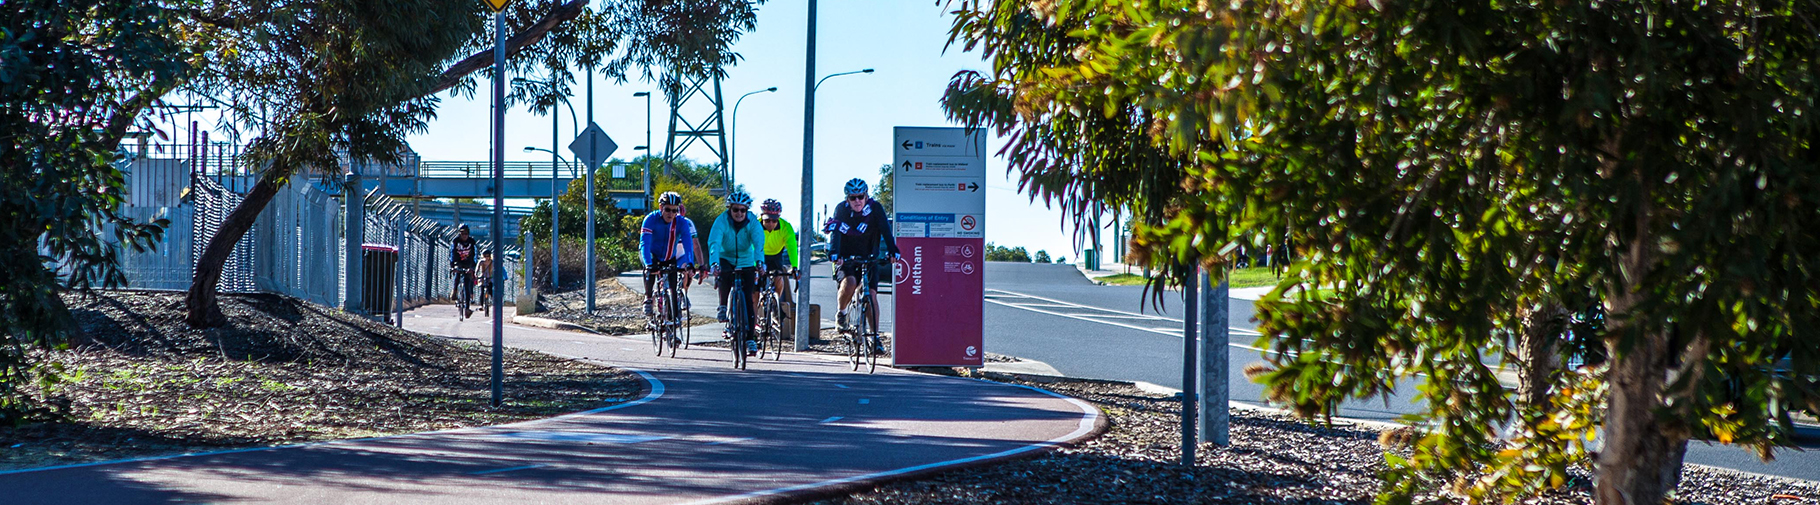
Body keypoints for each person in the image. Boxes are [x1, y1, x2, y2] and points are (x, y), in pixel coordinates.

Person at [829, 178, 899, 338]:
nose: (857, 201)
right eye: (853, 198)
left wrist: (893, 250)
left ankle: (874, 337)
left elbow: (886, 231)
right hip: (847, 257)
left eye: (860, 196)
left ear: (866, 196)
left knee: (872, 295)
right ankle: (842, 313)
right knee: (850, 283)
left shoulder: (876, 209)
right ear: (847, 199)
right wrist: (835, 253)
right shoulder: (841, 209)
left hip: (869, 256)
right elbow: (836, 233)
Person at [708, 190, 766, 355]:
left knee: (748, 299)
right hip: (725, 257)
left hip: (746, 260)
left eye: (743, 210)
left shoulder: (753, 222)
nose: (739, 213)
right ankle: (723, 305)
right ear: (730, 209)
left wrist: (760, 262)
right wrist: (714, 263)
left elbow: (758, 242)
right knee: (724, 277)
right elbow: (714, 242)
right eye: (735, 210)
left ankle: (750, 339)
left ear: (747, 210)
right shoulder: (721, 221)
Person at [639, 192, 698, 316]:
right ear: (661, 208)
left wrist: (690, 263)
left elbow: (688, 244)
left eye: (674, 210)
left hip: (669, 257)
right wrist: (649, 264)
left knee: (673, 291)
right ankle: (648, 298)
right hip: (651, 254)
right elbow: (645, 243)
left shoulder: (681, 222)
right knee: (650, 270)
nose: (671, 214)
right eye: (667, 210)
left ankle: (673, 325)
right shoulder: (650, 219)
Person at [759, 199, 798, 314]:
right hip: (759, 254)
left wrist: (795, 266)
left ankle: (775, 303)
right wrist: (756, 265)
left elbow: (792, 248)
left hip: (776, 255)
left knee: (779, 277)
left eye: (774, 220)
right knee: (755, 283)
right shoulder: (755, 226)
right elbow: (750, 247)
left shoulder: (786, 227)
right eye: (767, 220)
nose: (771, 223)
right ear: (762, 217)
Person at [449, 224, 479, 316]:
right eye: (462, 233)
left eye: (466, 233)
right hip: (458, 261)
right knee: (457, 274)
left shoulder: (472, 242)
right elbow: (452, 253)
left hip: (468, 263)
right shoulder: (455, 241)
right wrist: (452, 266)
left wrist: (473, 267)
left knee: (467, 284)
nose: (464, 235)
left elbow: (475, 255)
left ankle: (467, 308)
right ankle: (454, 291)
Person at [476, 251, 494, 315]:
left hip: (490, 277)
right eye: (485, 256)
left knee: (490, 290)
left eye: (488, 256)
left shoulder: (492, 262)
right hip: (482, 277)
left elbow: (496, 269)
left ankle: (492, 301)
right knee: (482, 291)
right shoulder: (481, 262)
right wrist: (476, 274)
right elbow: (477, 269)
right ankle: (481, 305)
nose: (486, 257)